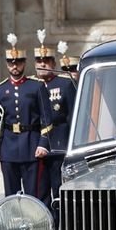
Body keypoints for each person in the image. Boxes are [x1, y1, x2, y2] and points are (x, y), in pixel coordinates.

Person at [0, 35, 49, 199]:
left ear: (24, 63)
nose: (14, 66)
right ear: (7, 65)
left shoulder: (36, 86)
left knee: (33, 194)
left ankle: (35, 224)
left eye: (18, 63)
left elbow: (46, 118)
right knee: (11, 194)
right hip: (8, 148)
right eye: (11, 63)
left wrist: (43, 144)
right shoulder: (0, 89)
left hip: (32, 146)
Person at [34, 33, 76, 205]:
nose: (42, 64)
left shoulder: (65, 83)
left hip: (59, 145)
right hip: (36, 147)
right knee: (40, 193)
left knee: (58, 191)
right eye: (38, 60)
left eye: (46, 60)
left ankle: (60, 228)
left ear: (53, 63)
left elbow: (73, 116)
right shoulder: (32, 85)